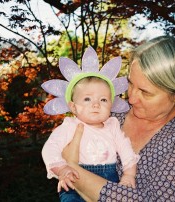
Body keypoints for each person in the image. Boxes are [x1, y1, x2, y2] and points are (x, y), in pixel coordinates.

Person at [61, 35, 175, 201]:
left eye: (145, 92)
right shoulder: (110, 116)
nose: (131, 98)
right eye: (130, 83)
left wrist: (73, 171)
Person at [41, 47, 140, 202]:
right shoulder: (70, 126)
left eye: (103, 100)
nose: (96, 104)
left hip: (110, 179)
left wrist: (129, 175)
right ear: (73, 106)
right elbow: (50, 148)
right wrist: (62, 169)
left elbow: (126, 150)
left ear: (111, 105)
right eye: (87, 99)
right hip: (74, 179)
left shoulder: (112, 125)